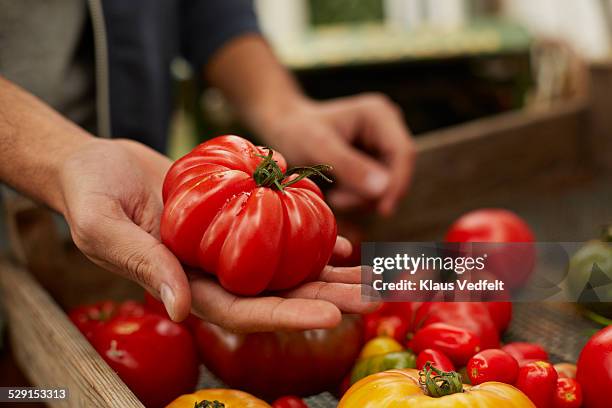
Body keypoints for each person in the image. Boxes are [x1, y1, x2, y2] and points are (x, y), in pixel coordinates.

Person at [0, 0, 414, 332]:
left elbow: (204, 7)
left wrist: (283, 109)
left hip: (128, 205)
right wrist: (58, 154)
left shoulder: (279, 197)